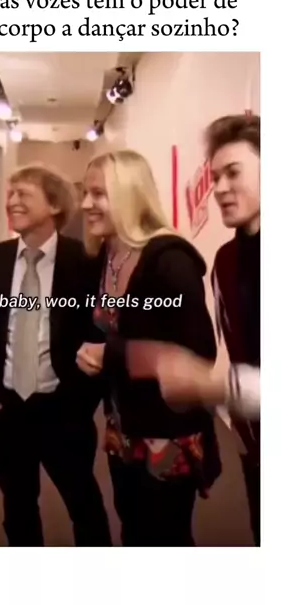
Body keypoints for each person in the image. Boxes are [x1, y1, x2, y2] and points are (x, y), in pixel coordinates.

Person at [77, 149, 221, 547]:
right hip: (122, 427)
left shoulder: (169, 259)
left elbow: (197, 353)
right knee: (134, 529)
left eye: (98, 194)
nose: (86, 204)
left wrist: (111, 355)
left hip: (166, 431)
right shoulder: (104, 256)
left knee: (165, 536)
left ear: (130, 194)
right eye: (85, 193)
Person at [0, 164, 111, 547]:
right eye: (10, 193)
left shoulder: (86, 260)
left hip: (64, 410)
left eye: (23, 194)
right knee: (17, 508)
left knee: (85, 505)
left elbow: (99, 333)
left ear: (55, 205)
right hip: (7, 411)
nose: (12, 201)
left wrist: (82, 402)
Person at [205, 114, 260, 545]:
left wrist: (211, 384)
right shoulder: (224, 261)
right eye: (215, 177)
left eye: (233, 173)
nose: (220, 188)